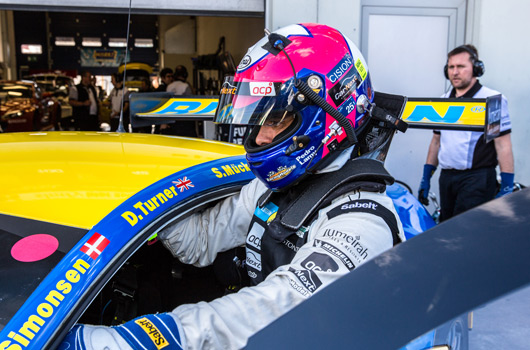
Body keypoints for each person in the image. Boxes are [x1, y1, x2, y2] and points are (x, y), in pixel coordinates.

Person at [60, 23, 408, 350]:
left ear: (327, 113)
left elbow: (282, 306)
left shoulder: (364, 220)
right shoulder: (277, 185)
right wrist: (142, 196)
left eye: (274, 119)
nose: (257, 136)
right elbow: (203, 239)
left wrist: (133, 341)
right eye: (257, 118)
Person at [418, 44, 515, 222]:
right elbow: (436, 141)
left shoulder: (491, 101)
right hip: (447, 178)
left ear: (476, 69)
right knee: (446, 228)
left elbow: (503, 145)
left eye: (461, 67)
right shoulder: (443, 101)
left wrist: (507, 186)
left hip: (477, 179)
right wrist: (426, 176)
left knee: (467, 231)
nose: (455, 72)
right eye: (451, 67)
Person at [161, 64, 198, 136]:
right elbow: (192, 102)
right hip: (185, 120)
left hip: (172, 119)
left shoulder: (169, 86)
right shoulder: (186, 86)